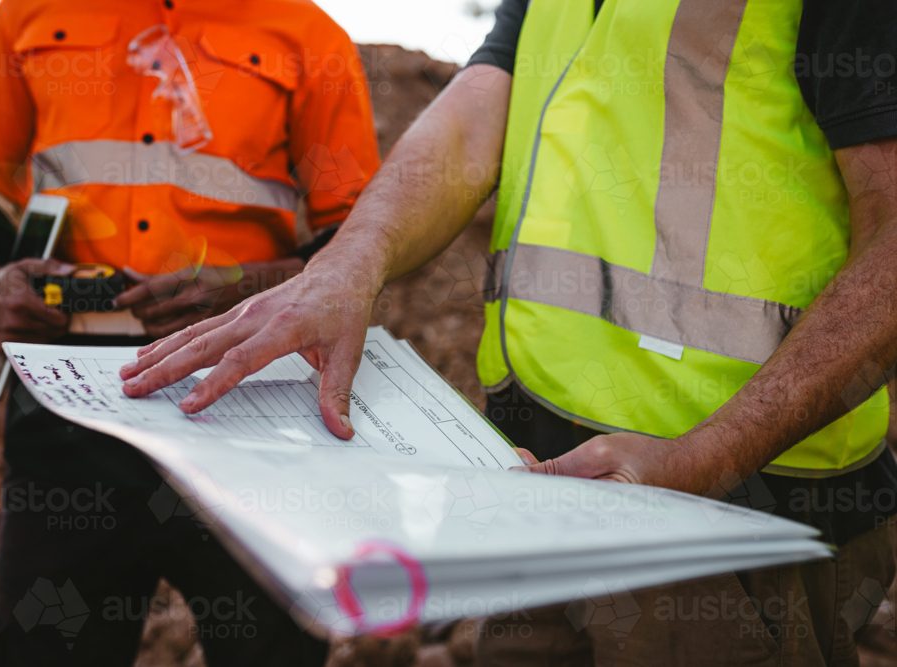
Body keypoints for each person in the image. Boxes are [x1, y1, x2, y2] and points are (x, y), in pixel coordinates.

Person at [120, 0, 897, 664]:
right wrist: (345, 265)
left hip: (732, 521)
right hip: (538, 482)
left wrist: (703, 459)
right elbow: (477, 115)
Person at [0, 0, 379, 663]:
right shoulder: (28, 14)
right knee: (42, 646)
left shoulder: (309, 36)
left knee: (271, 650)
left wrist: (242, 287)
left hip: (254, 404)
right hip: (68, 408)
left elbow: (358, 245)